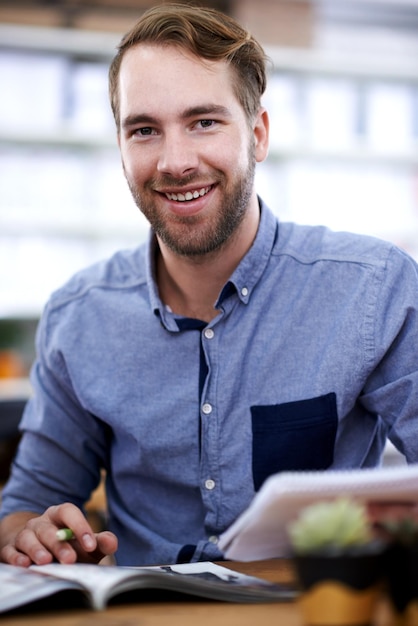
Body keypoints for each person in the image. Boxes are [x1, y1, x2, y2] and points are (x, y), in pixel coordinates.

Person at [1, 3, 418, 569]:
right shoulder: (80, 316)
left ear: (258, 133)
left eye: (204, 122)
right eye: (144, 130)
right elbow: (26, 505)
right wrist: (31, 533)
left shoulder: (373, 290)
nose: (175, 162)